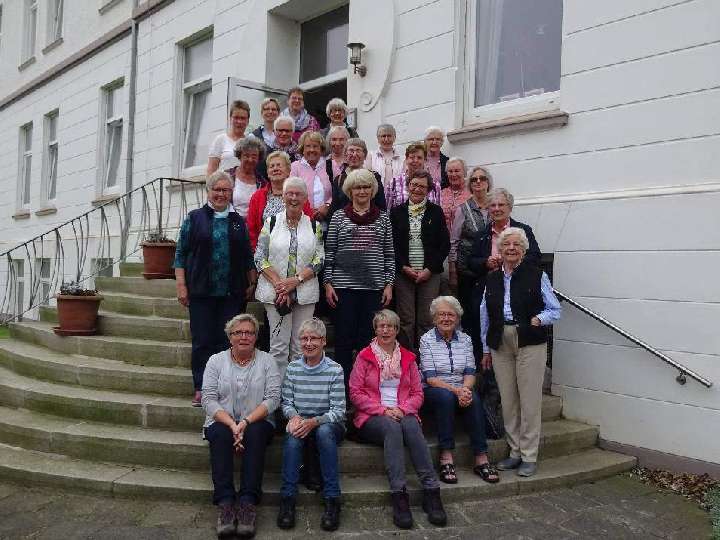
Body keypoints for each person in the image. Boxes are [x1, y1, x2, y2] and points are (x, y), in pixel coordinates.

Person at [349, 309, 447, 529]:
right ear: (375, 330)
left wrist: (403, 409)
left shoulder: (409, 359)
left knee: (411, 426)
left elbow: (417, 393)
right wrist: (383, 410)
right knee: (392, 428)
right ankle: (399, 494)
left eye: (390, 326)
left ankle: (431, 491)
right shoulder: (364, 357)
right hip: (372, 415)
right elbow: (355, 393)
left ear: (396, 330)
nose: (385, 330)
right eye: (381, 326)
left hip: (403, 412)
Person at [480, 227, 561, 477]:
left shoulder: (537, 275)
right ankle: (514, 452)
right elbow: (484, 313)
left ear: (524, 250)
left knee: (529, 400)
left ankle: (529, 455)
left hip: (529, 340)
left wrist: (538, 318)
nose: (511, 248)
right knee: (508, 400)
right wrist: (485, 349)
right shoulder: (492, 278)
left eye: (516, 245)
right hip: (500, 341)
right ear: (500, 250)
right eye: (507, 245)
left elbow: (555, 309)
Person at [174, 171, 257, 406]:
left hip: (231, 292)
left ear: (231, 193)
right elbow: (180, 254)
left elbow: (247, 256)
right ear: (208, 191)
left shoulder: (238, 221)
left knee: (226, 341)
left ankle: (224, 387)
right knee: (202, 340)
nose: (221, 194)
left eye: (226, 190)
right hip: (201, 290)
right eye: (217, 190)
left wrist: (252, 282)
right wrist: (181, 285)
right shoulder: (194, 218)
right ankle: (201, 387)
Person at [202, 313, 281, 538]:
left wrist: (245, 422)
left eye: (249, 332)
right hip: (222, 420)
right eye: (238, 332)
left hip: (257, 421)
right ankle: (226, 503)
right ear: (230, 337)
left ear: (256, 337)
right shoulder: (215, 361)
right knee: (218, 433)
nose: (244, 336)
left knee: (256, 432)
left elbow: (273, 398)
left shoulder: (268, 361)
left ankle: (247, 503)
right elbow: (208, 399)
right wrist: (232, 425)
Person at [324, 168, 395, 389]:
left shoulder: (383, 219)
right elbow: (329, 252)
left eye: (366, 187)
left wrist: (389, 284)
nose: (362, 191)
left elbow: (389, 254)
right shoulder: (338, 217)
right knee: (344, 341)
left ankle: (365, 389)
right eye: (357, 187)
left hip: (373, 288)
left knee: (368, 341)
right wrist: (327, 283)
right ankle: (343, 390)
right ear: (350, 191)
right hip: (343, 288)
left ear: (372, 190)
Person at [419, 296, 499, 485]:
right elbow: (430, 378)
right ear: (434, 318)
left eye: (450, 314)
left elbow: (471, 372)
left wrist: (464, 390)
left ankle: (481, 458)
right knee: (446, 397)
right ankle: (446, 456)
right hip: (435, 389)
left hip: (460, 387)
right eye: (441, 315)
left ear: (457, 318)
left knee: (474, 398)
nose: (446, 318)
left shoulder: (465, 340)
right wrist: (457, 392)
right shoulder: (426, 340)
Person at [277, 318, 345, 532]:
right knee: (293, 437)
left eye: (313, 338)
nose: (308, 343)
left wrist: (314, 421)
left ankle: (332, 498)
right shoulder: (293, 368)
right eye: (304, 338)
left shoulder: (335, 369)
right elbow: (286, 402)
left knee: (324, 433)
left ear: (323, 341)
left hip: (328, 424)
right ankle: (287, 499)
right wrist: (294, 417)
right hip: (301, 422)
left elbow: (339, 411)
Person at [254, 177, 324, 381]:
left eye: (298, 194)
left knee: (302, 346)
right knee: (278, 347)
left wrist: (297, 279)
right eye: (289, 193)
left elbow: (320, 259)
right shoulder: (271, 222)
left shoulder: (314, 225)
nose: (293, 198)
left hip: (305, 292)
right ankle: (276, 399)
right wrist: (280, 284)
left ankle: (297, 395)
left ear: (305, 198)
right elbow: (259, 257)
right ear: (283, 196)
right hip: (275, 293)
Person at [390, 170, 450, 351]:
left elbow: (444, 245)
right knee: (406, 319)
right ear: (408, 186)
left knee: (426, 318)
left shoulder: (436, 212)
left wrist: (429, 269)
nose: (417, 189)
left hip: (429, 274)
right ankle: (408, 358)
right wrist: (403, 267)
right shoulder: (396, 212)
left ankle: (426, 358)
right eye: (414, 184)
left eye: (422, 186)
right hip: (404, 273)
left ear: (428, 190)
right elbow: (391, 244)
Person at [468, 187, 541, 308]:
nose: (496, 209)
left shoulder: (523, 230)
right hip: (488, 291)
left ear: (510, 208)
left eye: (501, 205)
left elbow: (535, 257)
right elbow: (471, 262)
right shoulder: (481, 234)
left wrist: (510, 261)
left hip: (518, 288)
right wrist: (486, 262)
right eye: (493, 205)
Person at [449, 166, 492, 348]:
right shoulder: (462, 209)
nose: (478, 182)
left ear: (488, 183)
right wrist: (453, 270)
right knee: (470, 315)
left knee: (490, 314)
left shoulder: (496, 205)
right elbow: (454, 240)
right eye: (474, 179)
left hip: (492, 270)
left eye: (482, 178)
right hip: (468, 271)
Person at [246, 151, 312, 251]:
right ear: (267, 172)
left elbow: (309, 225)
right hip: (265, 256)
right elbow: (252, 230)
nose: (275, 168)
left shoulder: (299, 194)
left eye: (279, 165)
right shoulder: (257, 197)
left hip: (296, 254)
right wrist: (258, 254)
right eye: (272, 166)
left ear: (288, 171)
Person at [329, 138, 385, 216]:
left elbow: (381, 206)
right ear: (345, 155)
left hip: (370, 223)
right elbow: (335, 208)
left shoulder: (374, 177)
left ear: (365, 156)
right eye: (351, 150)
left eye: (358, 150)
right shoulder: (339, 180)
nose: (354, 154)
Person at [290, 131, 332, 230]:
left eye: (315, 146)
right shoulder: (295, 167)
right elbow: (291, 193)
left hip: (328, 221)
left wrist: (327, 206)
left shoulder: (331, 165)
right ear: (302, 149)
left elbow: (339, 192)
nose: (312, 149)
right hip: (302, 222)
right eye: (308, 146)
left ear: (321, 149)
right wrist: (309, 211)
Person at [385, 142, 438, 211]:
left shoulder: (435, 185)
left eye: (419, 158)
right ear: (406, 159)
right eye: (412, 157)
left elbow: (437, 213)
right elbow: (387, 211)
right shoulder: (393, 183)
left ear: (425, 160)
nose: (415, 161)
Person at [207, 100, 250, 175]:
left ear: (248, 121)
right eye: (236, 117)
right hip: (225, 185)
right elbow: (211, 171)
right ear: (230, 118)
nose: (239, 121)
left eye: (242, 118)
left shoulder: (250, 142)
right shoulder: (220, 140)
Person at [231, 136, 266, 218]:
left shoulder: (262, 183)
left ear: (258, 159)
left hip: (252, 225)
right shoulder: (228, 177)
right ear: (240, 156)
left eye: (254, 156)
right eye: (246, 155)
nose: (250, 159)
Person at [256, 116, 299, 180]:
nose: (284, 133)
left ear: (293, 132)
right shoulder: (265, 154)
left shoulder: (299, 154)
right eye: (280, 130)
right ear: (274, 131)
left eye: (287, 131)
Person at [365, 124, 404, 190]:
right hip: (376, 197)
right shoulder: (370, 156)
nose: (386, 139)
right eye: (383, 136)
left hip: (397, 198)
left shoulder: (402, 158)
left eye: (389, 136)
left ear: (394, 138)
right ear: (378, 138)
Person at [439, 157, 471, 232]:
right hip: (443, 240)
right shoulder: (441, 194)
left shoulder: (471, 193)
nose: (453, 174)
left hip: (465, 240)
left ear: (465, 173)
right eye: (450, 171)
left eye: (457, 171)